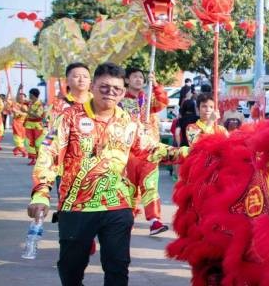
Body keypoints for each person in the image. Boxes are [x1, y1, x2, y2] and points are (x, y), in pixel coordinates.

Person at [27, 62, 188, 286]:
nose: (110, 93)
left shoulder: (128, 122)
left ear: (123, 92)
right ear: (92, 87)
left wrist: (191, 153)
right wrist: (40, 194)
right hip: (77, 206)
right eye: (104, 87)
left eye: (116, 89)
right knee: (70, 270)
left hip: (117, 203)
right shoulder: (67, 118)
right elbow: (48, 154)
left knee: (117, 268)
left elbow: (152, 149)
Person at [118, 67, 170, 235]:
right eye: (135, 77)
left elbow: (163, 102)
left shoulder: (148, 100)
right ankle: (128, 217)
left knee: (150, 185)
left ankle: (154, 220)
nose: (139, 80)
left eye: (141, 77)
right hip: (128, 151)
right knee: (129, 188)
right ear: (127, 80)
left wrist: (155, 84)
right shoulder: (120, 101)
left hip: (149, 150)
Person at [24, 88, 45, 164]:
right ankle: (33, 159)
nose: (29, 96)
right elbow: (18, 100)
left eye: (30, 94)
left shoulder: (40, 104)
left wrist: (27, 111)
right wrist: (19, 89)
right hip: (29, 125)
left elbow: (38, 116)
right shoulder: (30, 103)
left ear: (33, 95)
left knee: (37, 143)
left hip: (37, 126)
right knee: (28, 141)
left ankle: (40, 157)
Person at [10, 86, 29, 157]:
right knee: (18, 139)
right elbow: (15, 112)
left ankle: (16, 149)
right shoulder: (15, 104)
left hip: (24, 124)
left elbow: (28, 113)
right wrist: (18, 88)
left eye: (23, 97)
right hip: (17, 124)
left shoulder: (27, 105)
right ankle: (23, 151)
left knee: (23, 138)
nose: (21, 98)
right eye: (20, 97)